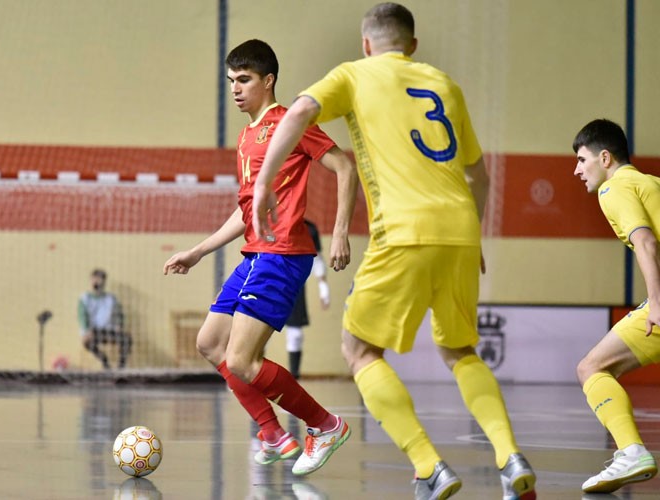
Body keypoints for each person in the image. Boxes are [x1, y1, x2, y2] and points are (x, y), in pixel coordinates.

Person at [252, 4, 536, 499]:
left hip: (403, 229)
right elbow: (479, 176)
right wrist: (474, 238)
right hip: (462, 230)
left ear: (366, 44)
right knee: (460, 351)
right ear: (413, 45)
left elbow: (297, 112)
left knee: (359, 350)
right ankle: (510, 457)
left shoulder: (355, 75)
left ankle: (428, 466)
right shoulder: (445, 85)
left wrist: (261, 186)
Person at [163, 39, 358, 476]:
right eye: (231, 80)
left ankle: (325, 426)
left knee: (242, 361)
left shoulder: (290, 123)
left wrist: (340, 232)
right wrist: (198, 251)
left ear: (267, 80)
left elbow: (345, 168)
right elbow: (247, 209)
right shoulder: (247, 135)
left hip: (283, 253)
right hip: (255, 254)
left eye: (244, 80)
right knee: (210, 344)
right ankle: (273, 434)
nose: (235, 89)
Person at [572, 118, 658, 493]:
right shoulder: (651, 183)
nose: (576, 169)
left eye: (581, 159)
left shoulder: (615, 189)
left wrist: (656, 302)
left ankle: (631, 451)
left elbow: (646, 243)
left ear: (605, 157)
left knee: (592, 367)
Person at [284, 219, 330, 379]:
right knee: (256, 332)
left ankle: (293, 376)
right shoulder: (268, 221)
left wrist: (324, 289)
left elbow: (317, 259)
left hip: (294, 285)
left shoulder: (309, 229)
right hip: (266, 281)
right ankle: (246, 373)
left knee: (295, 334)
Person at [78, 268, 131, 370]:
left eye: (100, 279)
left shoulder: (111, 298)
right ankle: (104, 360)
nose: (97, 281)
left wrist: (119, 325)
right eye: (95, 279)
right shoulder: (85, 299)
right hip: (93, 332)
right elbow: (82, 316)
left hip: (108, 331)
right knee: (87, 342)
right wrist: (86, 331)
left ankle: (121, 367)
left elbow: (119, 314)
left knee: (127, 339)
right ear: (91, 280)